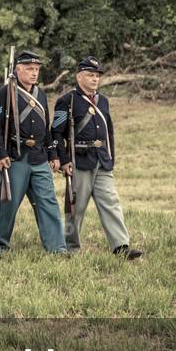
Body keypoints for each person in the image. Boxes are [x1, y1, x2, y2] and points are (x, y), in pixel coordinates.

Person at [52, 57, 143, 259]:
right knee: (75, 208)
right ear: (79, 76)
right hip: (79, 161)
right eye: (90, 75)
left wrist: (111, 157)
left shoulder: (103, 101)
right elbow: (56, 133)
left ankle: (121, 247)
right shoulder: (67, 101)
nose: (95, 79)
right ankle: (69, 246)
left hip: (101, 159)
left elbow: (108, 132)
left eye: (97, 76)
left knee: (111, 202)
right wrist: (64, 160)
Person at [0, 50, 67, 255]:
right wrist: (0, 153)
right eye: (29, 69)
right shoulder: (3, 93)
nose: (34, 73)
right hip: (14, 156)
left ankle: (57, 247)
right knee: (7, 203)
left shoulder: (40, 94)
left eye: (37, 69)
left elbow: (46, 128)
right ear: (17, 69)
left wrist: (54, 154)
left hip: (38, 156)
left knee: (48, 202)